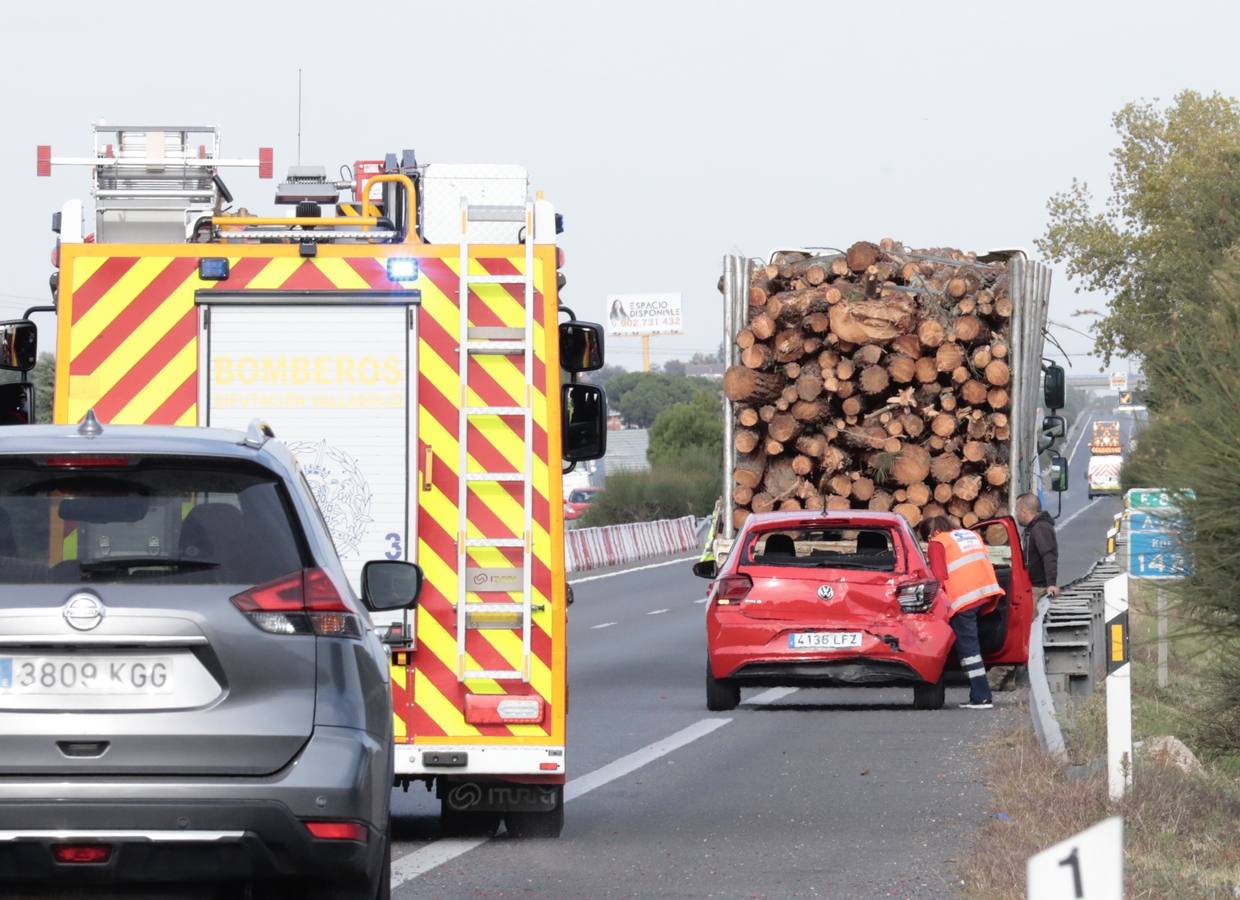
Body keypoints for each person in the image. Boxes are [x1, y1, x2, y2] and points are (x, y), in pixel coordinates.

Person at [921, 516, 1005, 710]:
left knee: (969, 650)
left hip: (963, 599)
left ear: (932, 533)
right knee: (973, 644)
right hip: (986, 594)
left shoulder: (938, 542)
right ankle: (979, 694)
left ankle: (981, 696)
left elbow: (939, 578)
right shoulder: (971, 535)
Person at [1015, 492, 1060, 599]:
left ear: (1024, 511)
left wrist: (1051, 584)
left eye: (1017, 510)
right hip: (1032, 587)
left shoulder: (1040, 528)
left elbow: (1049, 556)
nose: (1016, 514)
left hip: (1039, 589)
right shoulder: (1032, 528)